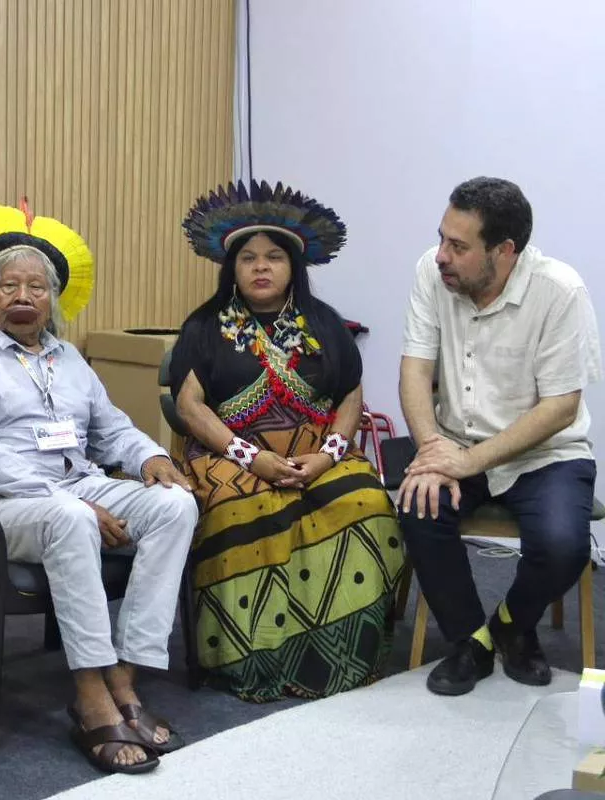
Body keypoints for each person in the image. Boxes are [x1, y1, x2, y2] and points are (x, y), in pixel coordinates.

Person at [0, 201, 197, 774]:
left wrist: (148, 455)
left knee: (175, 505)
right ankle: (91, 695)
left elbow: (111, 427)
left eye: (36, 286)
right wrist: (71, 498)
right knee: (73, 518)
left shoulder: (69, 357)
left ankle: (126, 674)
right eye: (9, 285)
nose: (23, 295)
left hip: (78, 483)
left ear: (53, 300)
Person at [169, 180, 404, 701]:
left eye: (274, 257)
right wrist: (252, 458)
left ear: (293, 267)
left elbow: (349, 398)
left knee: (363, 501)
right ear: (230, 268)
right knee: (248, 512)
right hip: (227, 455)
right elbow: (189, 407)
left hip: (318, 451)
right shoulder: (204, 326)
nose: (260, 266)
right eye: (248, 257)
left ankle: (343, 655)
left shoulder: (325, 324)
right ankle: (253, 661)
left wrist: (327, 456)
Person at [397, 177, 600, 696]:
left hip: (544, 453)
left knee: (563, 544)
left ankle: (512, 625)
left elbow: (560, 408)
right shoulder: (431, 272)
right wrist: (432, 450)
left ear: (505, 252)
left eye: (458, 246)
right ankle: (471, 641)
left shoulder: (559, 291)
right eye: (442, 237)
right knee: (419, 508)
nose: (441, 255)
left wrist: (468, 462)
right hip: (453, 443)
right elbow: (415, 371)